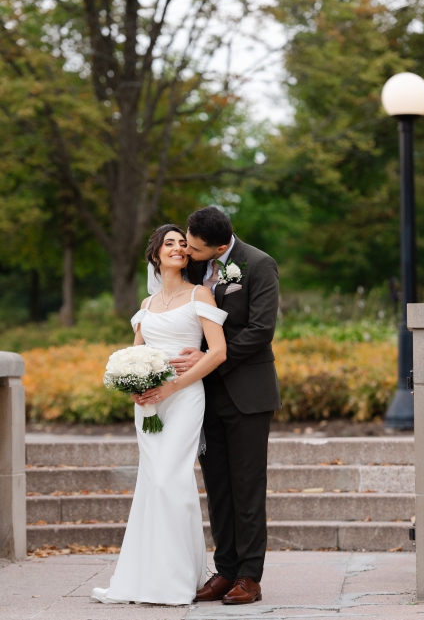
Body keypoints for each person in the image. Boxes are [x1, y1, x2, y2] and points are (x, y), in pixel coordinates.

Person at [92, 225, 228, 605]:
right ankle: (146, 577)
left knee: (171, 479)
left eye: (183, 244)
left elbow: (217, 352)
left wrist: (172, 386)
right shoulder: (146, 307)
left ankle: (183, 577)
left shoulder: (199, 294)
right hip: (150, 405)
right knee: (152, 484)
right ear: (156, 254)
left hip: (183, 397)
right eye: (170, 243)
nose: (179, 248)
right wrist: (134, 386)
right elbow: (134, 355)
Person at [172, 206, 283, 605]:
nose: (189, 250)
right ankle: (226, 570)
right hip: (201, 397)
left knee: (247, 486)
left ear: (221, 245)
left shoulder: (258, 264)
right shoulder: (192, 268)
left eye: (196, 247)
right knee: (218, 487)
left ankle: (249, 577)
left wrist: (210, 361)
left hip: (248, 393)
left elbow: (261, 329)